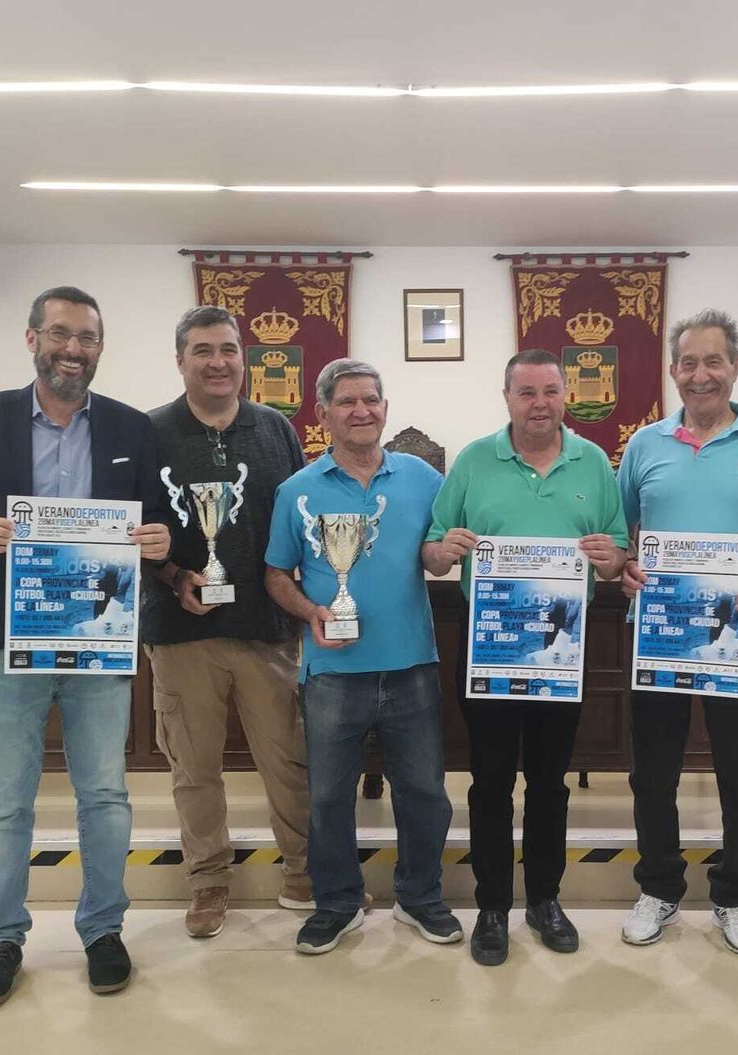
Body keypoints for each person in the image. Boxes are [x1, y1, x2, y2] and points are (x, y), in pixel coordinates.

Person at [0, 285, 171, 1008]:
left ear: (100, 348)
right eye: (60, 333)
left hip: (97, 640)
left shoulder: (131, 426)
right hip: (5, 639)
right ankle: (1, 936)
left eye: (87, 337)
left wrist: (160, 541)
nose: (73, 348)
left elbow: (156, 521)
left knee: (105, 793)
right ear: (32, 338)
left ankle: (102, 929)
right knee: (5, 800)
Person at [423, 349, 629, 966]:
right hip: (489, 648)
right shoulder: (473, 462)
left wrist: (609, 558)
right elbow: (433, 551)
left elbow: (619, 552)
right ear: (506, 397)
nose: (539, 403)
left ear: (566, 395)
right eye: (526, 392)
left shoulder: (593, 462)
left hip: (561, 653)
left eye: (550, 391)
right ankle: (491, 906)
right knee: (488, 782)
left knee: (549, 782)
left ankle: (544, 898)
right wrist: (446, 549)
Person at [616, 308, 738, 955]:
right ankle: (660, 887)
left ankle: (734, 894)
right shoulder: (644, 446)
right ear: (674, 371)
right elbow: (625, 535)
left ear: (735, 367)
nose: (702, 375)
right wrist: (625, 568)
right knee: (653, 772)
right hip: (661, 638)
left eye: (714, 361)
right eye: (689, 363)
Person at [264, 358, 460, 954]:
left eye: (371, 400)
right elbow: (275, 573)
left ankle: (420, 897)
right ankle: (337, 903)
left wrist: (447, 552)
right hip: (331, 670)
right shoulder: (296, 490)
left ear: (385, 408)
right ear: (322, 413)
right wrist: (311, 612)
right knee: (326, 796)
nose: (361, 411)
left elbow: (438, 550)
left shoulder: (426, 481)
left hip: (412, 665)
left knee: (424, 790)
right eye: (346, 401)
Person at [144, 305, 311, 939]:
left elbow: (297, 521)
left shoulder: (276, 429)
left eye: (229, 350)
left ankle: (302, 870)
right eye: (203, 350)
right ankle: (208, 881)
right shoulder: (150, 432)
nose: (218, 362)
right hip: (182, 631)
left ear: (244, 358)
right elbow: (136, 533)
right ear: (181, 359)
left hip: (268, 628)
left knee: (289, 760)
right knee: (194, 767)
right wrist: (174, 577)